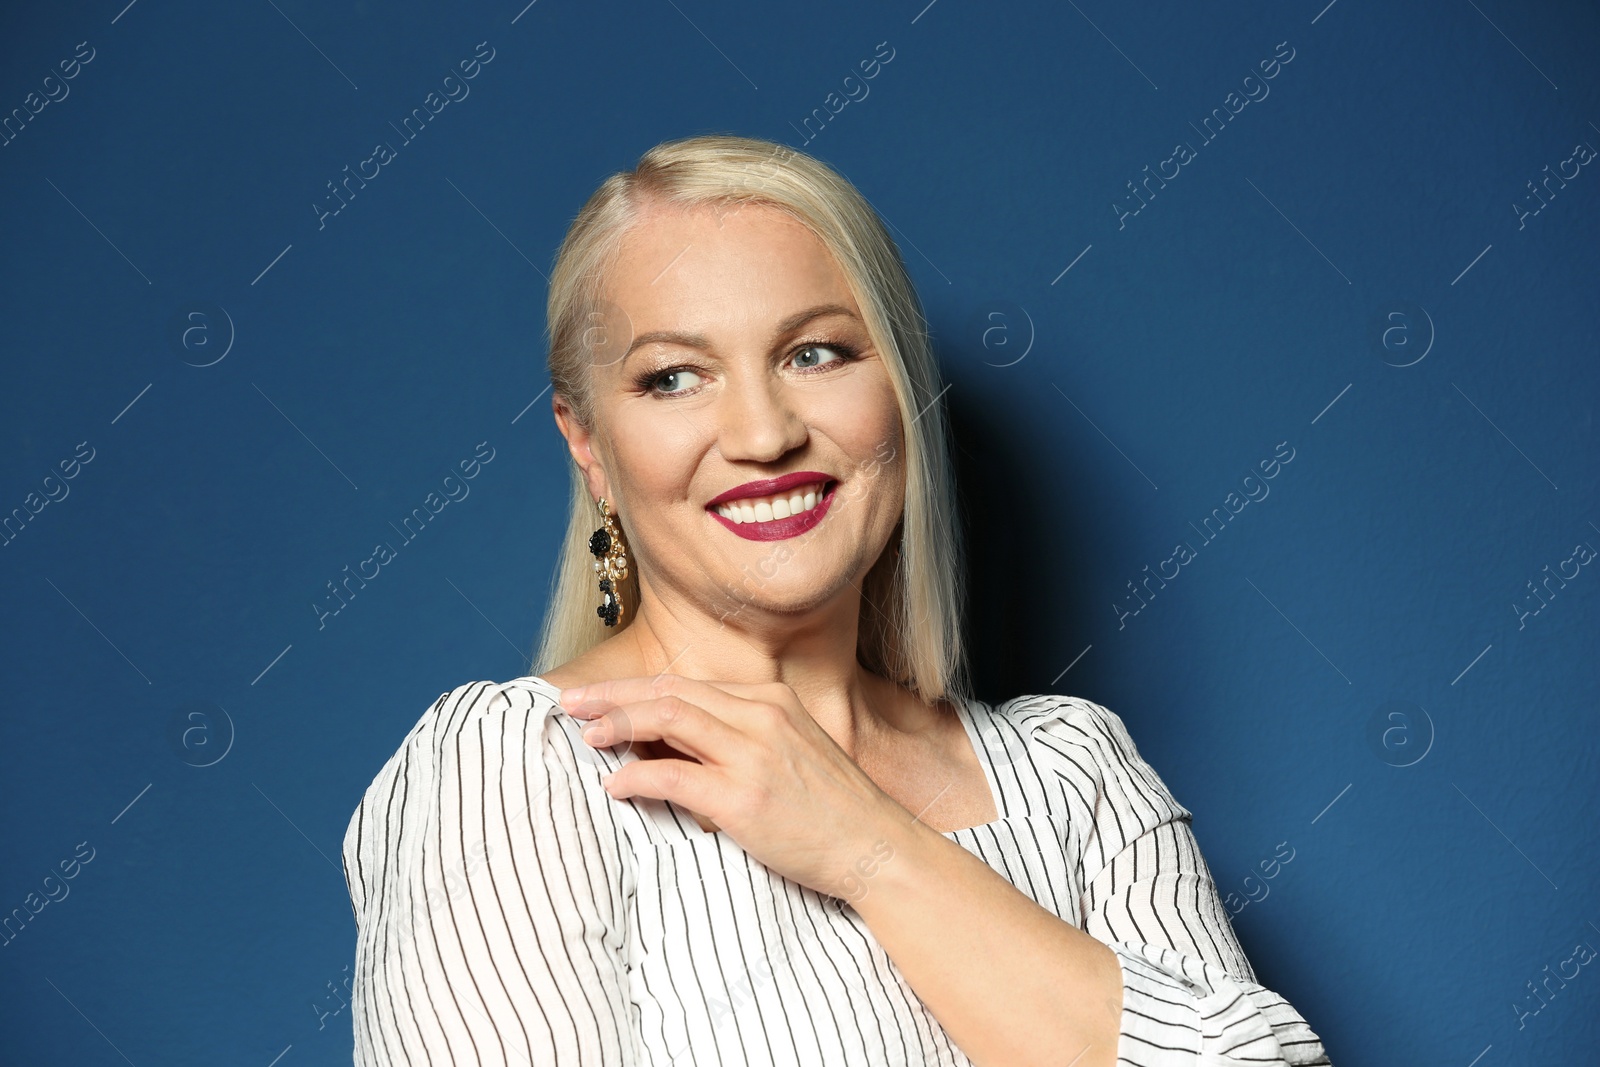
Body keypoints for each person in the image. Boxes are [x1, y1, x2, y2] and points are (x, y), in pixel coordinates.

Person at [341, 133, 1332, 1066]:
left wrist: (869, 848)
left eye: (814, 353)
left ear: (898, 388)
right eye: (675, 376)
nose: (763, 432)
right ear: (588, 441)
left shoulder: (1075, 772)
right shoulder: (517, 767)